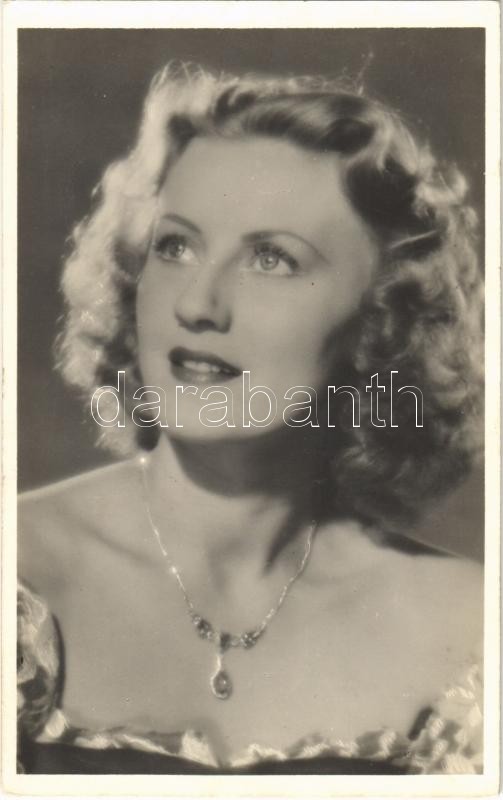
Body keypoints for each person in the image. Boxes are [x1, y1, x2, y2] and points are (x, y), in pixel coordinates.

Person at [17, 62, 484, 774]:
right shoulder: (20, 576)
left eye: (271, 259)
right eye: (175, 246)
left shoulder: (469, 631)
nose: (197, 304)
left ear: (383, 318)